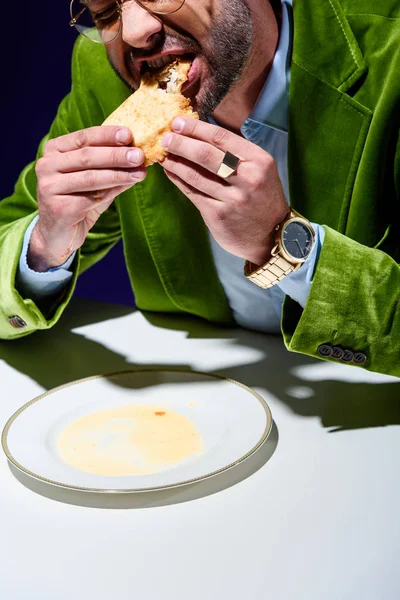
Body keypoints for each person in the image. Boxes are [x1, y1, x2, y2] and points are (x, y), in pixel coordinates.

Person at [0, 0, 399, 377]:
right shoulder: (105, 74)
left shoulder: (391, 51)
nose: (135, 32)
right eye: (106, 11)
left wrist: (283, 245)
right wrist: (42, 247)